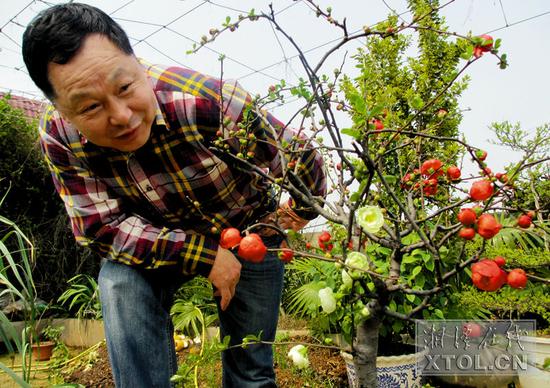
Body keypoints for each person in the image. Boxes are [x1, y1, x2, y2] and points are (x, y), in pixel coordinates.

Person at [22, 3, 326, 387]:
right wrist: (205, 256)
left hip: (247, 231)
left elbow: (302, 159)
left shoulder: (209, 102)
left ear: (137, 62)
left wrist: (295, 213)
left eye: (125, 87)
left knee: (251, 368)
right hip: (153, 239)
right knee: (120, 283)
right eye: (90, 106)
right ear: (61, 109)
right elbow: (101, 228)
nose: (122, 116)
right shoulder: (59, 137)